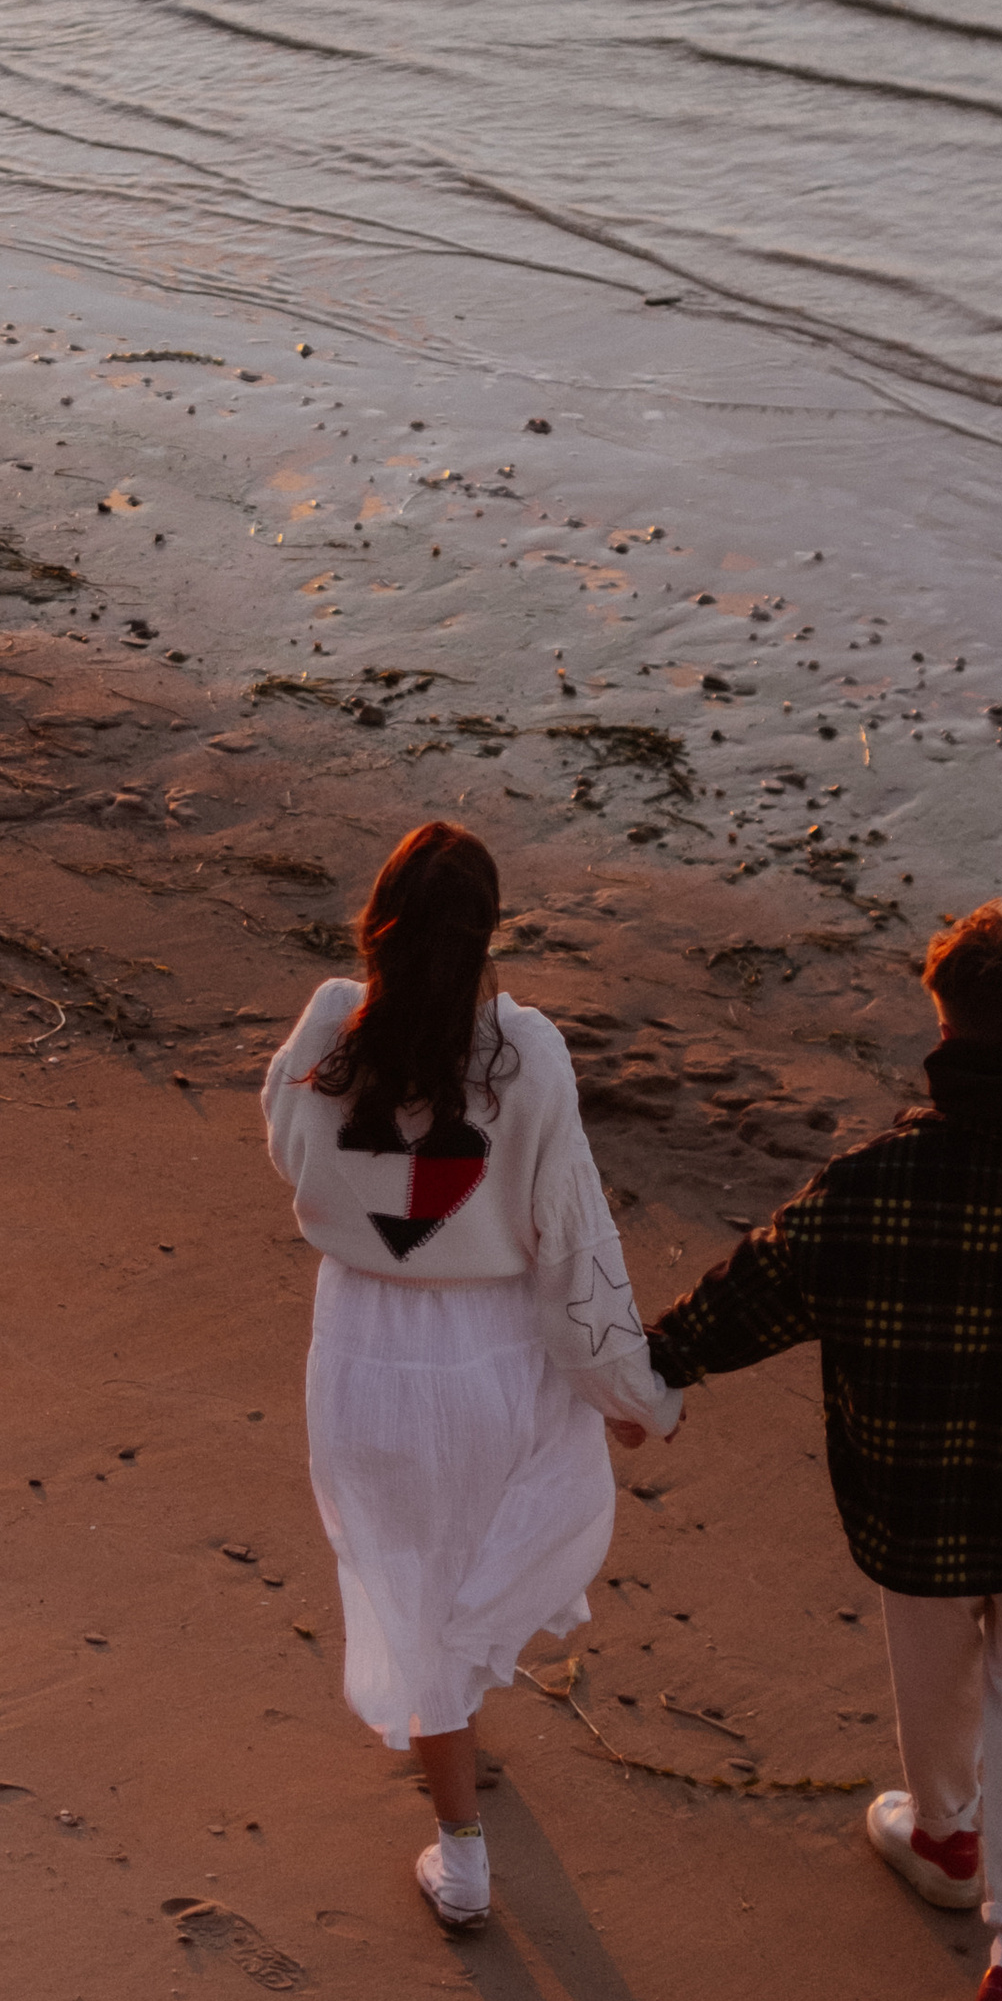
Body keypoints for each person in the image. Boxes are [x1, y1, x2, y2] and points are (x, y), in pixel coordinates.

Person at [643, 901, 1002, 2001]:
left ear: (938, 1022)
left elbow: (743, 1300)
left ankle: (946, 1838)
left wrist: (645, 1372)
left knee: (933, 1665)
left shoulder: (872, 1187)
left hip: (916, 1504)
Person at [263, 822, 678, 1935]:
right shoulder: (526, 1053)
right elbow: (574, 1239)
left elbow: (287, 1151)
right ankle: (461, 1812)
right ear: (487, 935)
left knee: (408, 1582)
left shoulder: (325, 1030)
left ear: (374, 925)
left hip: (361, 1354)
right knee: (464, 1585)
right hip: (493, 1357)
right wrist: (626, 1392)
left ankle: (461, 1850)